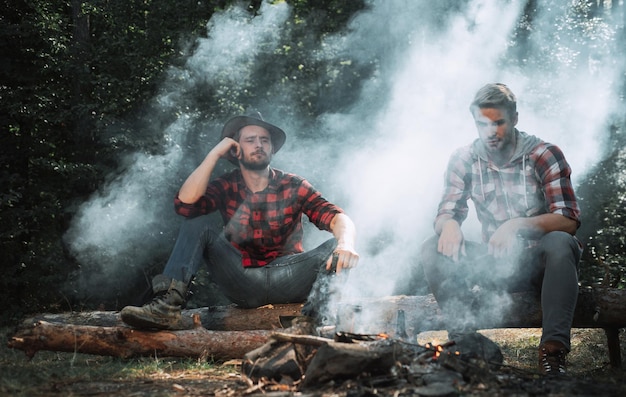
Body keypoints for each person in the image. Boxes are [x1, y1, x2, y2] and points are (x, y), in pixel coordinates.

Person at [121, 112, 359, 330]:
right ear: (235, 150)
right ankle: (167, 308)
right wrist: (214, 153)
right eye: (250, 140)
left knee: (335, 248)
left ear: (272, 149)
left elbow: (336, 216)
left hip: (289, 277)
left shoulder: (293, 184)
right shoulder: (227, 185)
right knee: (197, 222)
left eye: (265, 140)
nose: (259, 144)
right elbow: (185, 205)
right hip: (242, 278)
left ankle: (311, 321)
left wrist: (345, 244)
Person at [420, 83, 582, 376]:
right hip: (493, 266)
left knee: (560, 242)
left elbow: (568, 220)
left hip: (538, 267)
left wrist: (517, 225)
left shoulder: (544, 154)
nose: (490, 131)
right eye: (482, 124)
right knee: (432, 246)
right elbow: (446, 211)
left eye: (498, 123)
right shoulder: (464, 158)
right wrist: (450, 225)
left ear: (515, 118)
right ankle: (466, 343)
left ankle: (553, 354)